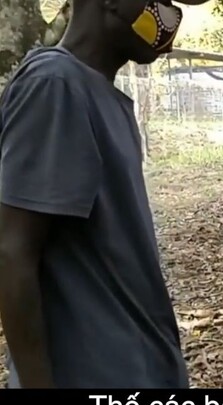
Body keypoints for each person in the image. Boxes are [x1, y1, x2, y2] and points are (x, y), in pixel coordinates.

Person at [0, 0, 210, 389]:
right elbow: (13, 251)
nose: (170, 16)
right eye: (161, 0)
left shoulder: (99, 94)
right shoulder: (54, 85)